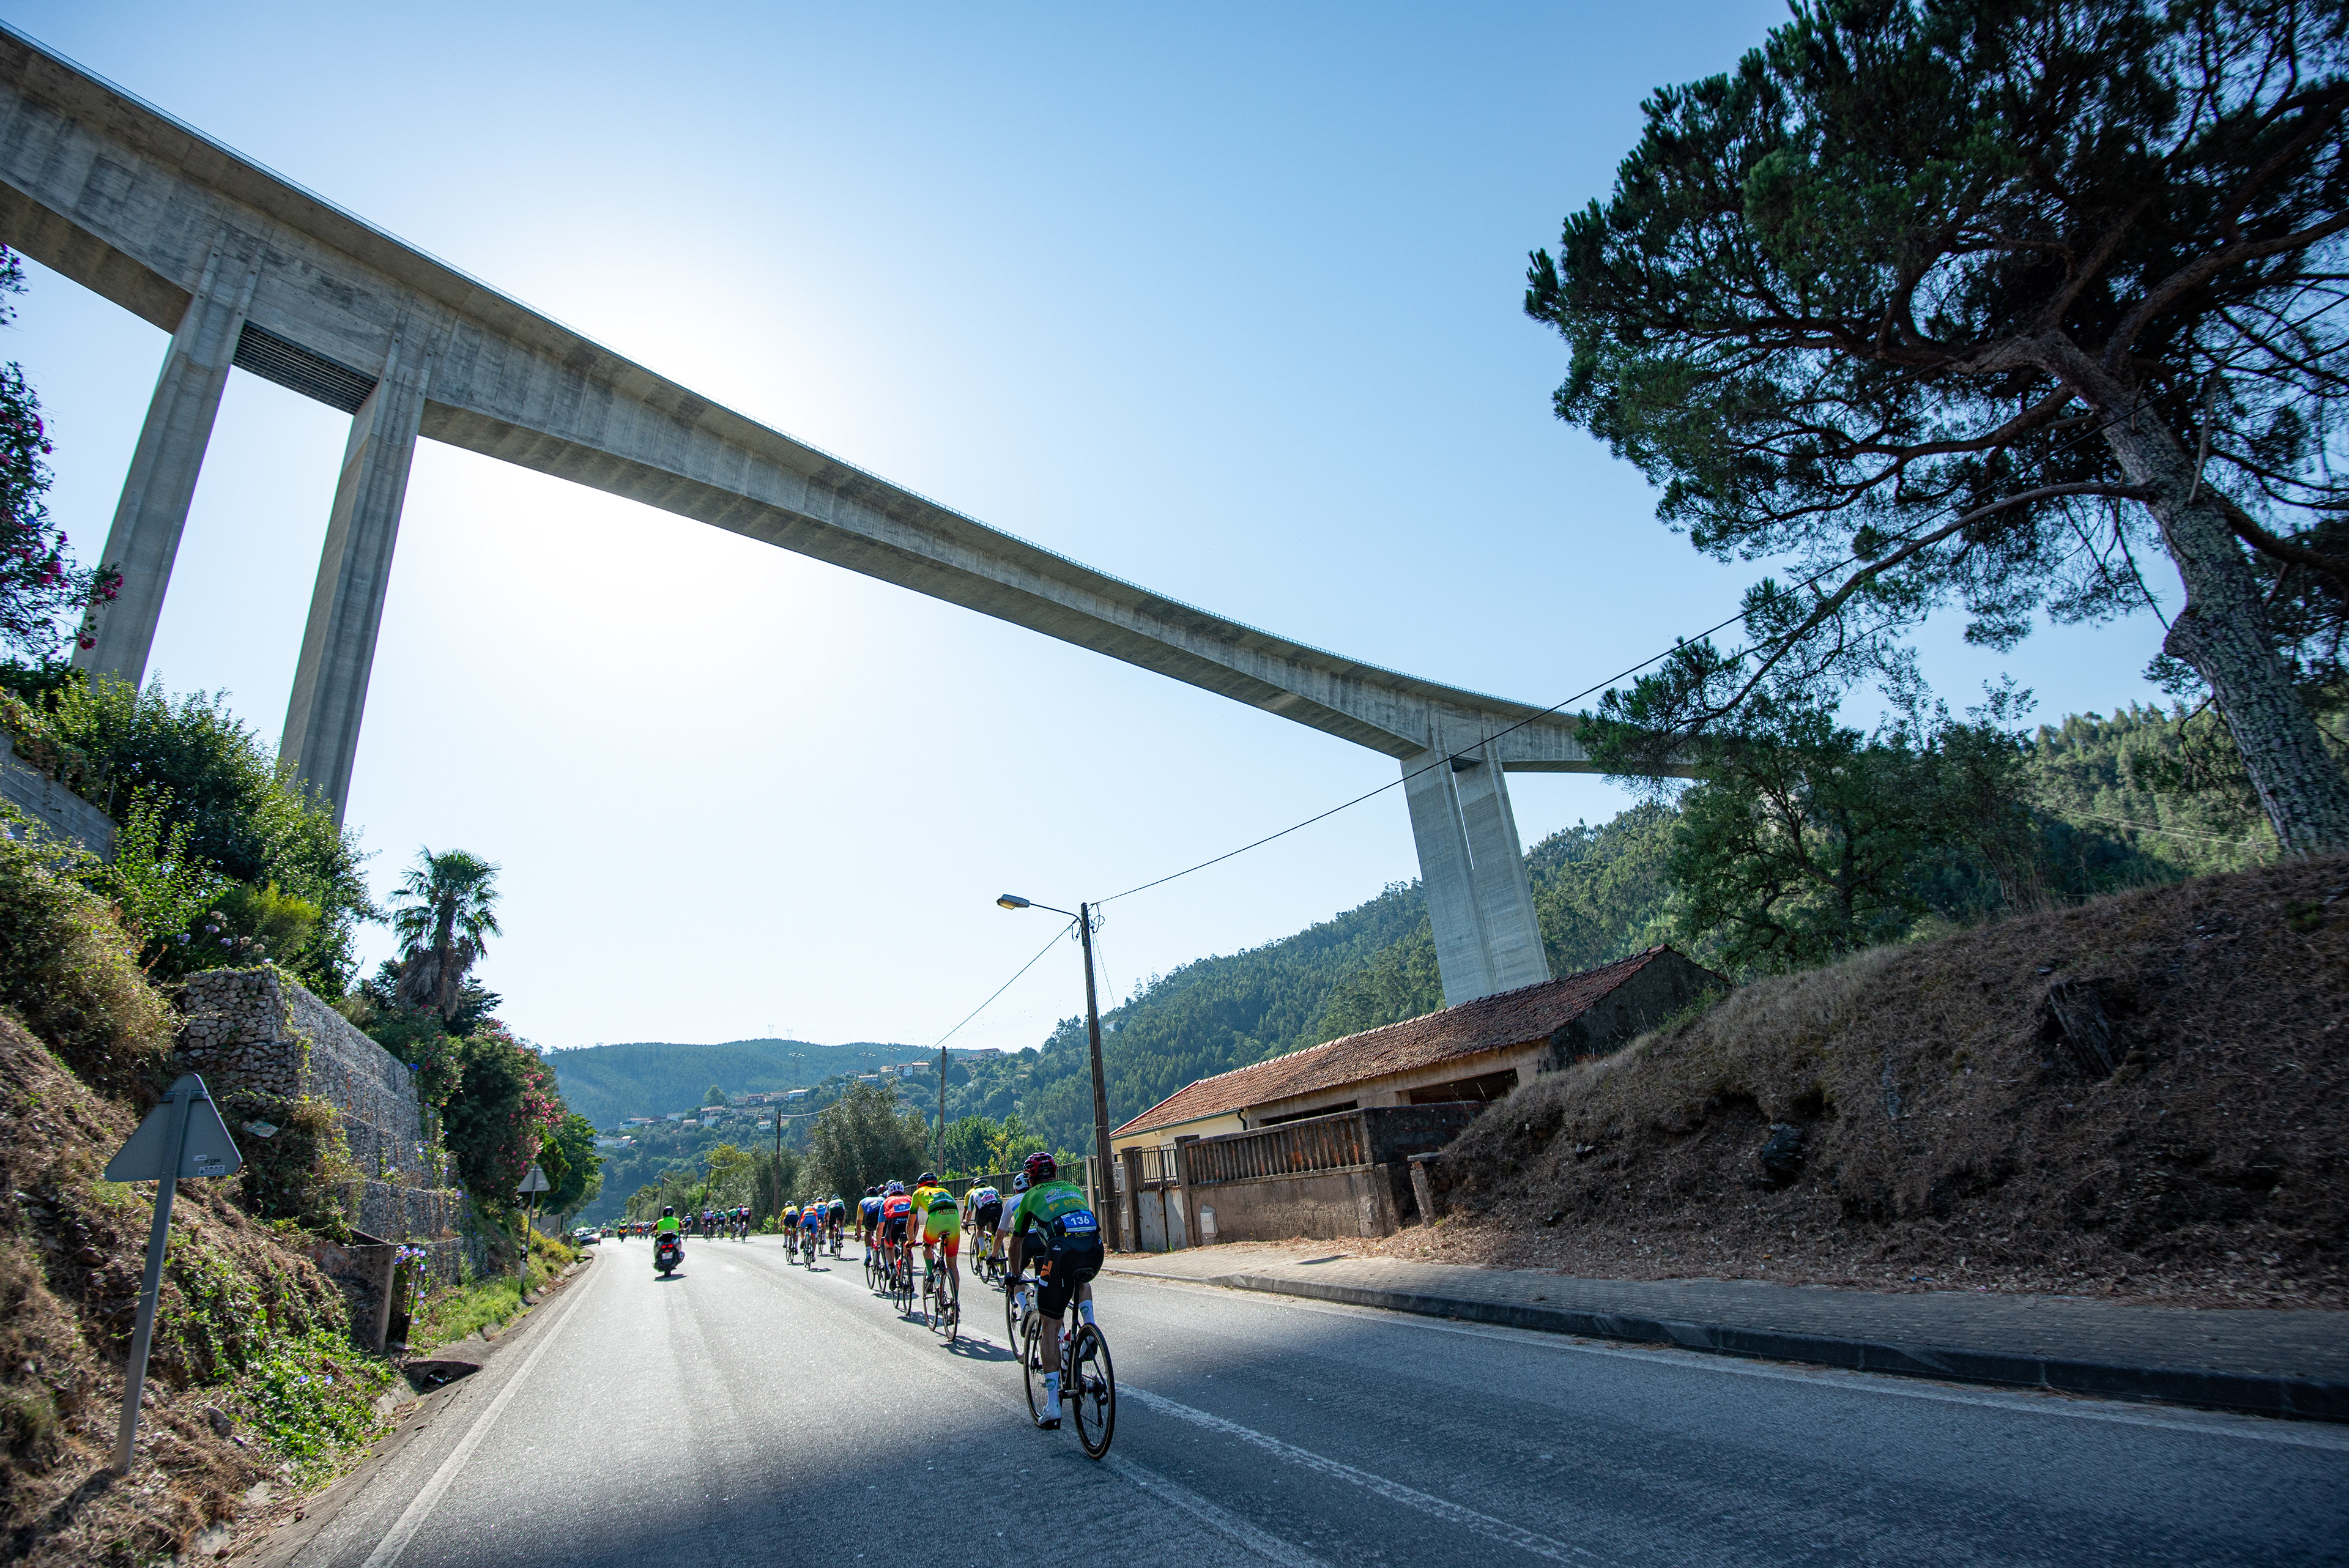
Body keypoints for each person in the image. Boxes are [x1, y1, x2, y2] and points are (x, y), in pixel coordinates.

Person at [1003, 1153, 1103, 1429]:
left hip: (1060, 1250)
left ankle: (1053, 1406)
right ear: (1055, 1173)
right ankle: (1090, 1328)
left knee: (1050, 1324)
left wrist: (1015, 1275)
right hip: (1095, 1247)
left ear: (1030, 1178)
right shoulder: (1071, 1187)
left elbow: (1015, 1244)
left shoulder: (1029, 1196)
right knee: (1081, 1279)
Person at [909, 1172, 961, 1313]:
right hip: (954, 1219)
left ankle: (931, 1275)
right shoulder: (945, 1191)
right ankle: (955, 1302)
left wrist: (911, 1241)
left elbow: (910, 1223)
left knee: (927, 1245)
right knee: (952, 1265)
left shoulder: (918, 1193)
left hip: (936, 1219)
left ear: (919, 1185)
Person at [878, 1181, 914, 1287]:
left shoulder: (886, 1201)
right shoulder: (909, 1199)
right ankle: (910, 1279)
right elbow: (915, 1220)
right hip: (908, 1225)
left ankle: (892, 1268)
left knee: (888, 1247)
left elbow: (880, 1227)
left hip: (894, 1225)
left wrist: (878, 1243)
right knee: (908, 1248)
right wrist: (912, 1239)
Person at [963, 1181, 1003, 1273]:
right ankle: (1000, 1257)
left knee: (979, 1228)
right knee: (997, 1233)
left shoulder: (974, 1193)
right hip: (998, 1208)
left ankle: (983, 1251)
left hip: (985, 1210)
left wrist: (966, 1222)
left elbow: (969, 1212)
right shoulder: (993, 1189)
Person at [859, 1186, 883, 1251]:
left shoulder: (863, 1201)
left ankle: (868, 1254)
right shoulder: (882, 1199)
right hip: (882, 1218)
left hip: (871, 1218)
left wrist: (858, 1235)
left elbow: (859, 1221)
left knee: (868, 1232)